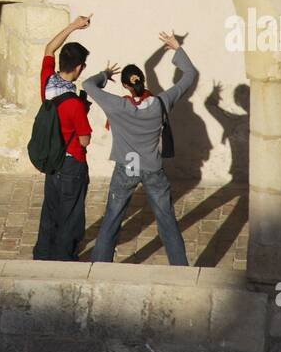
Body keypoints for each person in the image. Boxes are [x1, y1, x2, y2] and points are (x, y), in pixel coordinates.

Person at [84, 31, 198, 266]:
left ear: (125, 85)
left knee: (112, 218)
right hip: (151, 167)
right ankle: (179, 267)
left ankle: (99, 264)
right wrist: (177, 48)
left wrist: (105, 75)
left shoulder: (116, 106)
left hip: (127, 167)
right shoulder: (160, 103)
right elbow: (189, 75)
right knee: (166, 220)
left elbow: (87, 84)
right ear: (143, 83)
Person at [32, 15, 93, 262]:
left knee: (50, 211)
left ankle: (42, 255)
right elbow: (85, 140)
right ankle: (63, 258)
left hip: (52, 160)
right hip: (71, 163)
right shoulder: (74, 104)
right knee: (71, 216)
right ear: (79, 68)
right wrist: (84, 110)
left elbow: (49, 48)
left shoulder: (47, 82)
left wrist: (73, 26)